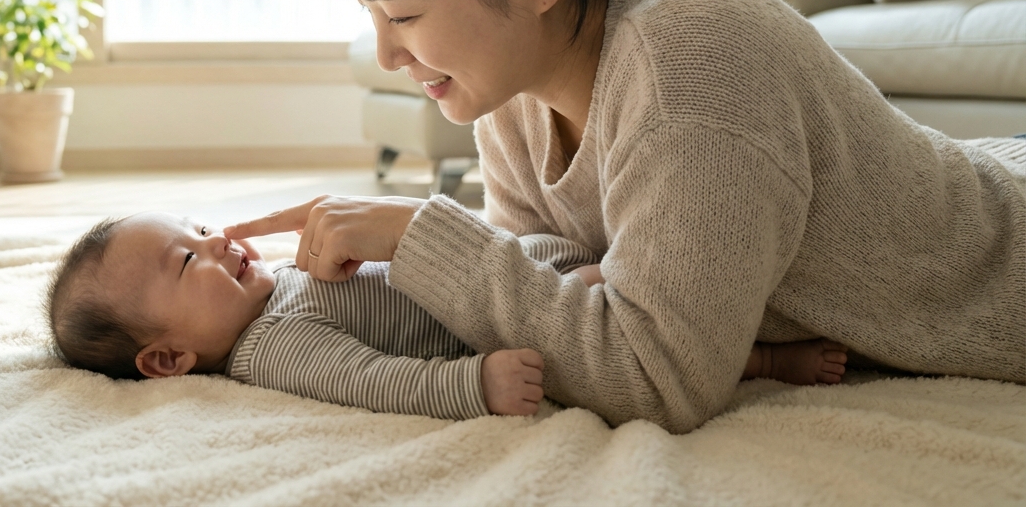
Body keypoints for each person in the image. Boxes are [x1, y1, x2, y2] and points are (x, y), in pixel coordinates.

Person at [223, 0, 1026, 434]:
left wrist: (427, 238)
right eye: (370, 14)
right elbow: (555, 290)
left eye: (401, 12)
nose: (391, 52)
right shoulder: (513, 86)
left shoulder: (691, 58)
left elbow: (658, 378)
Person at [45, 213, 849, 420]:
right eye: (188, 261)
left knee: (596, 259)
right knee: (617, 295)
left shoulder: (277, 287)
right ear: (167, 359)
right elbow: (378, 380)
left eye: (196, 227)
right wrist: (475, 384)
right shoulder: (274, 349)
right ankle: (764, 358)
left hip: (495, 264)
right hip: (500, 318)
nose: (217, 240)